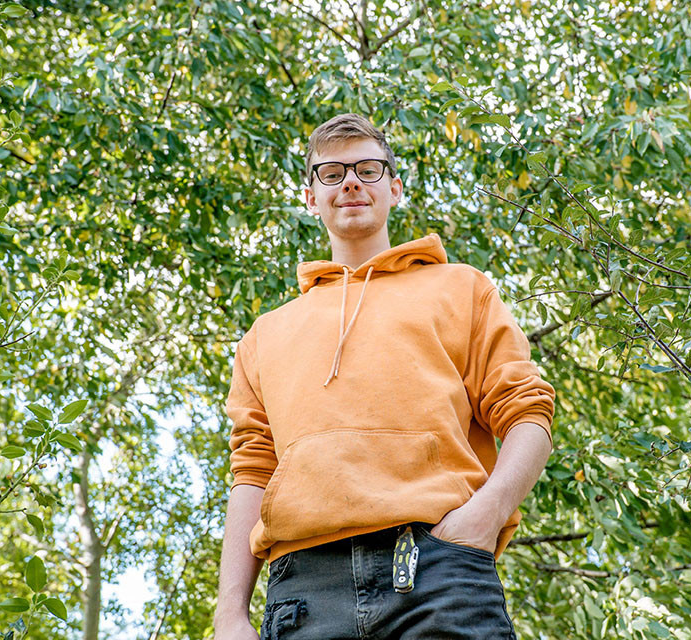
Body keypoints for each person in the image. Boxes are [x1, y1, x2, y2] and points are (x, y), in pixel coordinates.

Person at [212, 113, 556, 640]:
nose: (351, 182)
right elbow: (252, 469)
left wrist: (487, 514)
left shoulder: (461, 288)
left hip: (439, 571)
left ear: (393, 188)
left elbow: (528, 413)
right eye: (331, 173)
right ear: (311, 197)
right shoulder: (266, 333)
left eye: (367, 169)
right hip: (304, 589)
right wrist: (229, 613)